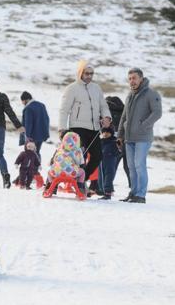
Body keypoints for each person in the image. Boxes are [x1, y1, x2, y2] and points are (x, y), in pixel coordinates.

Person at [58, 60, 111, 194]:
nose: (89, 76)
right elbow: (64, 110)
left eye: (91, 74)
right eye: (86, 73)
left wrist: (106, 117)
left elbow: (103, 106)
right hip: (77, 128)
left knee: (98, 156)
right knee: (80, 158)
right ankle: (78, 185)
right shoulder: (72, 88)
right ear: (80, 73)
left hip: (94, 128)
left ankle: (80, 180)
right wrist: (62, 129)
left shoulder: (96, 88)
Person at [117, 68, 162, 204]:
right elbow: (124, 117)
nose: (132, 81)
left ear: (141, 79)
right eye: (130, 78)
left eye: (134, 78)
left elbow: (157, 113)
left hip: (143, 137)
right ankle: (134, 193)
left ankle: (141, 195)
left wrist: (143, 125)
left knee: (139, 165)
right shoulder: (129, 96)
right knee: (131, 166)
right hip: (129, 138)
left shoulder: (151, 94)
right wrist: (120, 134)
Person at [19, 91, 50, 157]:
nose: (23, 103)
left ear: (26, 100)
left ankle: (33, 167)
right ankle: (38, 166)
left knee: (30, 154)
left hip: (32, 136)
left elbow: (28, 124)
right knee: (37, 152)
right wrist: (46, 133)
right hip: (41, 135)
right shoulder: (41, 105)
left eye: (23, 101)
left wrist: (27, 137)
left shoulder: (28, 108)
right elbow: (47, 119)